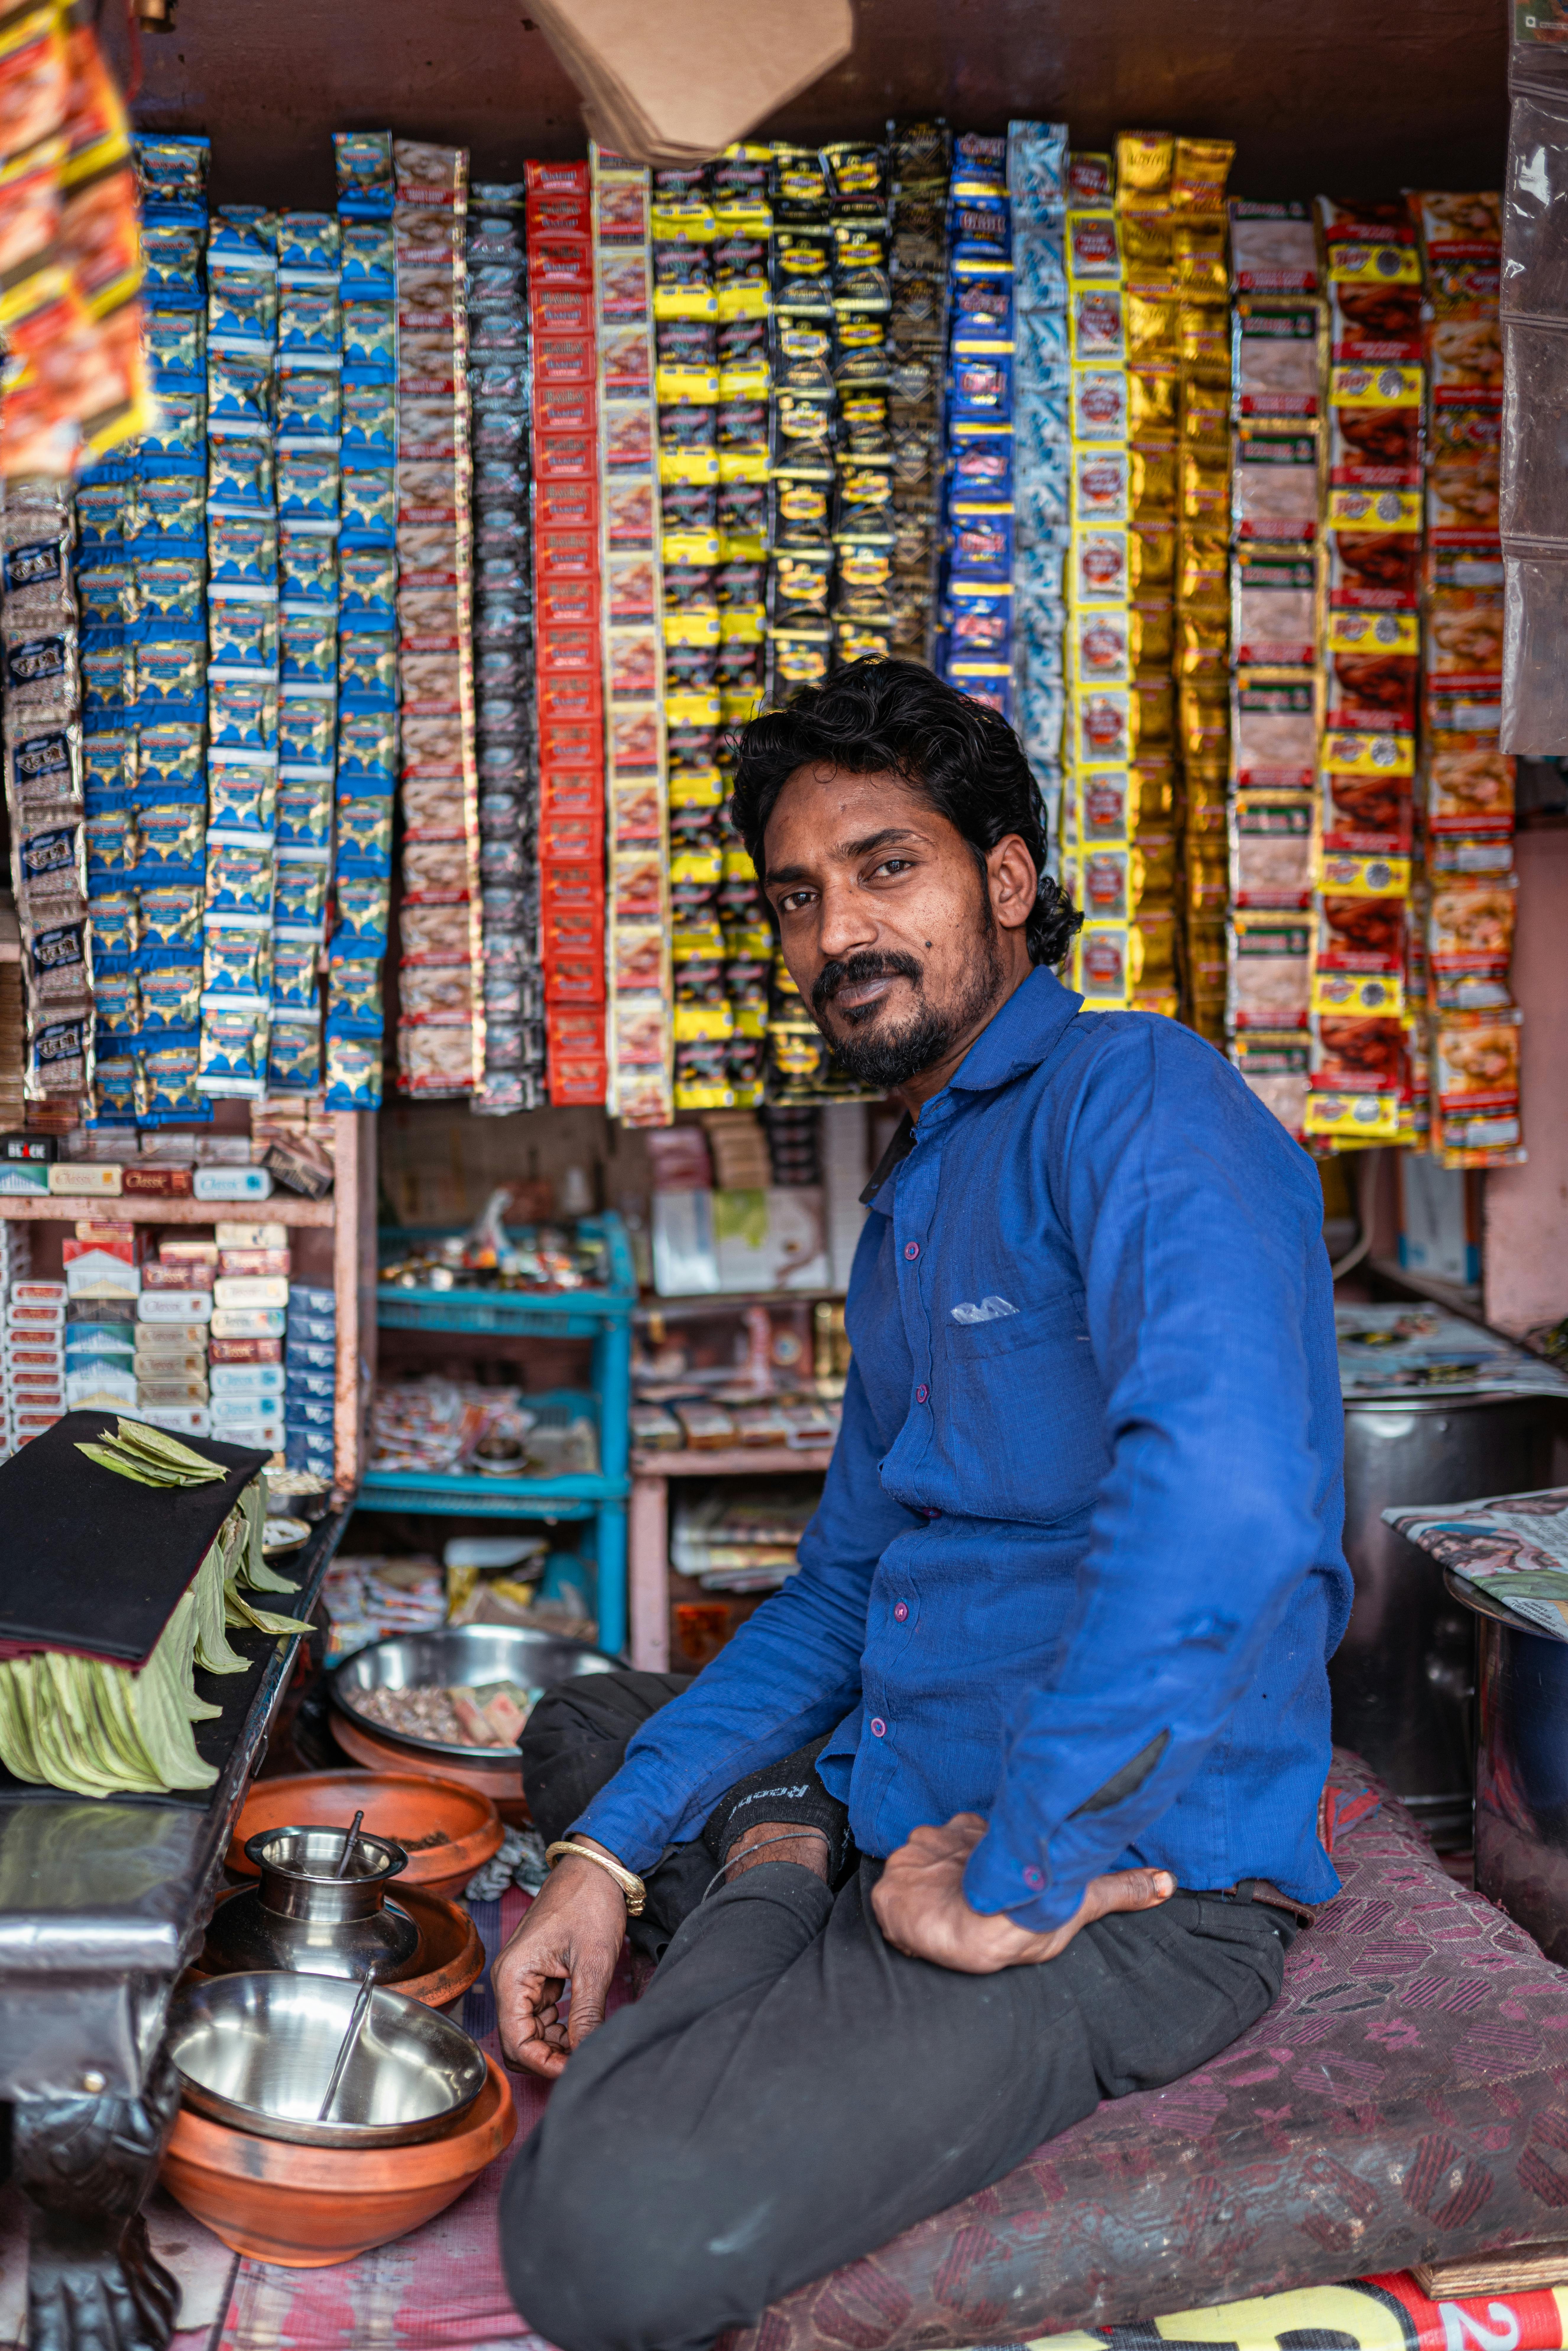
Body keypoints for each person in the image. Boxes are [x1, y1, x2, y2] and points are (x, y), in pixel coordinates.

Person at [495, 659, 1351, 2351]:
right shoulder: (923, 1190)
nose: (838, 933)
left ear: (1008, 884)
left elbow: (1238, 1508)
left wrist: (1020, 1870)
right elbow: (839, 1590)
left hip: (1126, 1883)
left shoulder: (1136, 1100)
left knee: (599, 2243)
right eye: (799, 898)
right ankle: (783, 1840)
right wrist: (600, 1856)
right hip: (902, 1788)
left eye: (889, 867)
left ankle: (773, 1872)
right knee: (588, 1731)